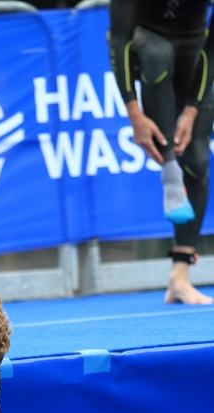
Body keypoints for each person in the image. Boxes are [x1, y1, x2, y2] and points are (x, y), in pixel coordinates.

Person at [109, 0, 214, 305]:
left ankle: (179, 278)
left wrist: (192, 111)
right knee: (158, 55)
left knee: (196, 160)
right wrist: (135, 115)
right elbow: (120, 40)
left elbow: (212, 49)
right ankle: (169, 167)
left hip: (194, 44)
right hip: (146, 37)